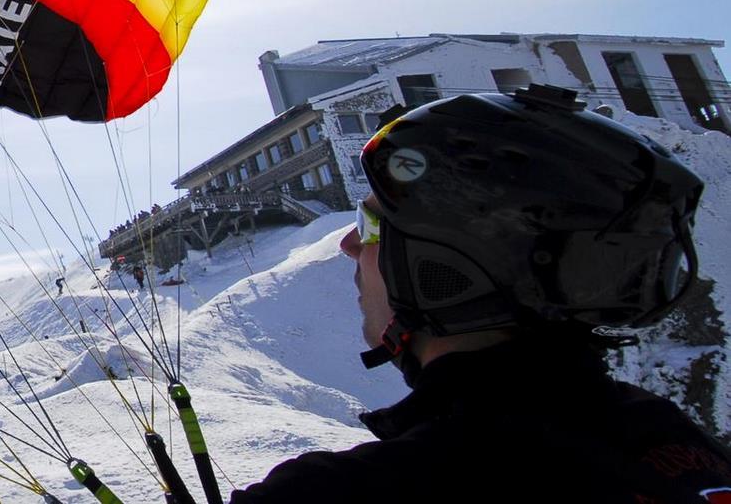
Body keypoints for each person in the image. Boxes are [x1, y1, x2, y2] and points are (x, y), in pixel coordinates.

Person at [232, 85, 731, 502]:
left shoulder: (353, 492)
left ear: (442, 264)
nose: (348, 243)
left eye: (370, 223)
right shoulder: (673, 440)